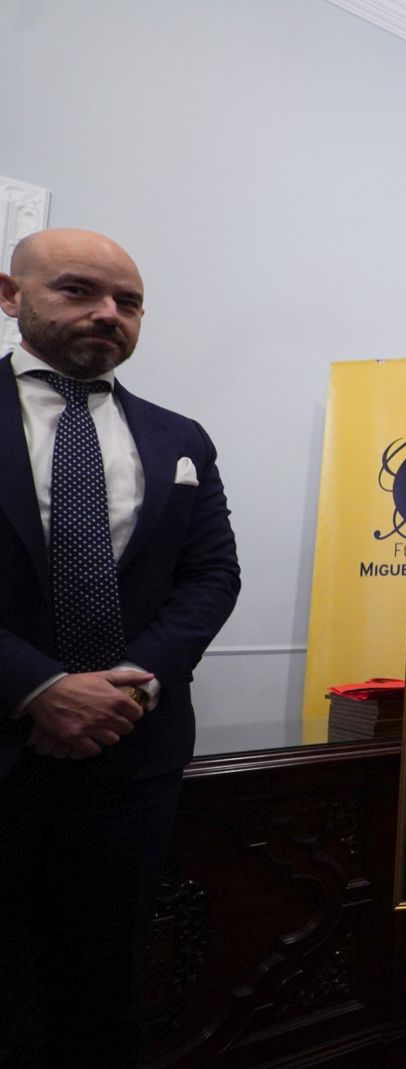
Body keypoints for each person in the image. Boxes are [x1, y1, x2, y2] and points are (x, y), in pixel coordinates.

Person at [0, 229, 240, 1067]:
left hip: (132, 760)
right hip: (5, 742)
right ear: (11, 295)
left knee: (106, 994)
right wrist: (37, 687)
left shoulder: (181, 436)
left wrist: (126, 688)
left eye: (128, 301)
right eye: (78, 290)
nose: (108, 313)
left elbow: (212, 578)